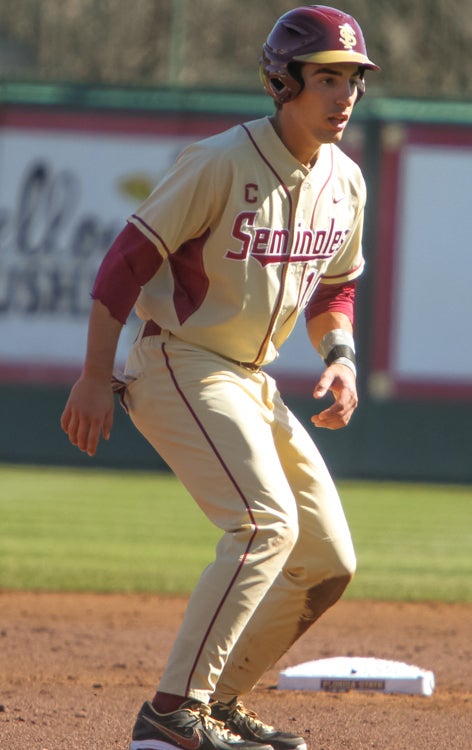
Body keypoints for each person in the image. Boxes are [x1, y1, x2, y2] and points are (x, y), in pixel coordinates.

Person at [61, 5, 380, 750]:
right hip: (179, 359)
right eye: (327, 78)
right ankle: (173, 712)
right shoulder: (219, 162)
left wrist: (341, 359)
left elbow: (337, 289)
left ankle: (218, 702)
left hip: (250, 377)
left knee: (329, 560)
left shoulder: (347, 181)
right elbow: (123, 266)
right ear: (283, 80)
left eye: (354, 81)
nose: (344, 97)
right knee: (265, 524)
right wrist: (92, 375)